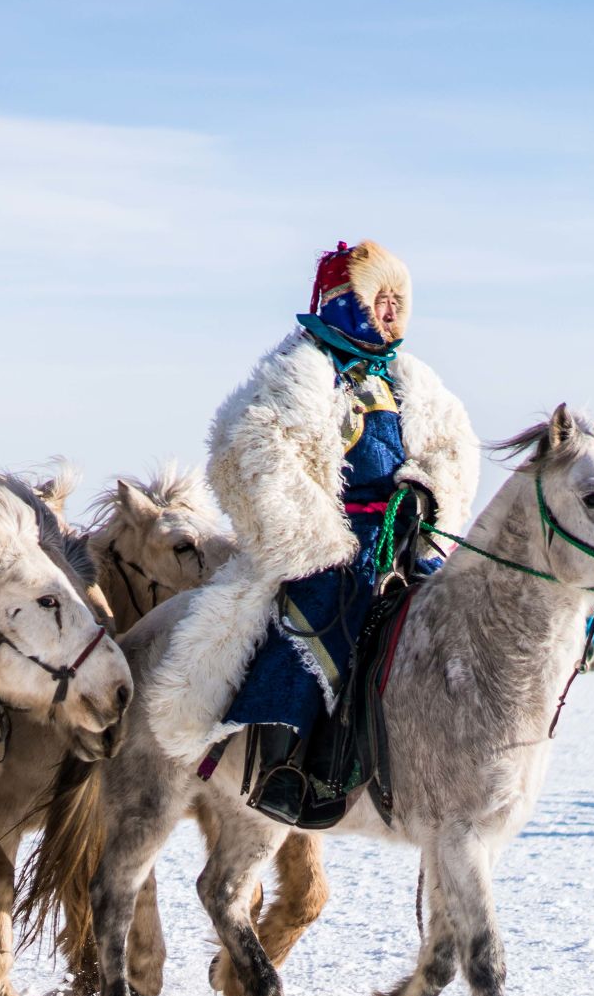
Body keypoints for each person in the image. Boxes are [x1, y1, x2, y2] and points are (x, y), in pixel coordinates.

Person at [170, 241, 480, 802]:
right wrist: (317, 538)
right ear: (344, 301)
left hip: (406, 535)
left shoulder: (410, 380)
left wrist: (428, 495)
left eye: (396, 299)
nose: (389, 311)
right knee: (322, 612)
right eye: (377, 298)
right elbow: (256, 451)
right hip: (332, 542)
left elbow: (452, 448)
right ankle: (285, 760)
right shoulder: (301, 372)